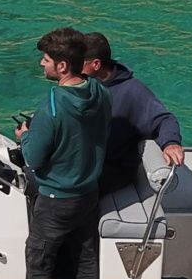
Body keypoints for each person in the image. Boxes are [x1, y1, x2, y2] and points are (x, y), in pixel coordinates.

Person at [15, 27, 111, 279]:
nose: (41, 63)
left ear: (62, 66)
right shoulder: (101, 92)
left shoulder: (52, 107)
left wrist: (25, 136)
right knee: (85, 257)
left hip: (56, 199)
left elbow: (33, 159)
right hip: (88, 194)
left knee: (39, 259)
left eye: (46, 60)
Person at [79, 32, 185, 195]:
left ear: (96, 64)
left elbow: (165, 119)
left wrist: (171, 143)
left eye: (78, 62)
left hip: (112, 167)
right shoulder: (83, 84)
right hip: (84, 159)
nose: (73, 66)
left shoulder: (133, 91)